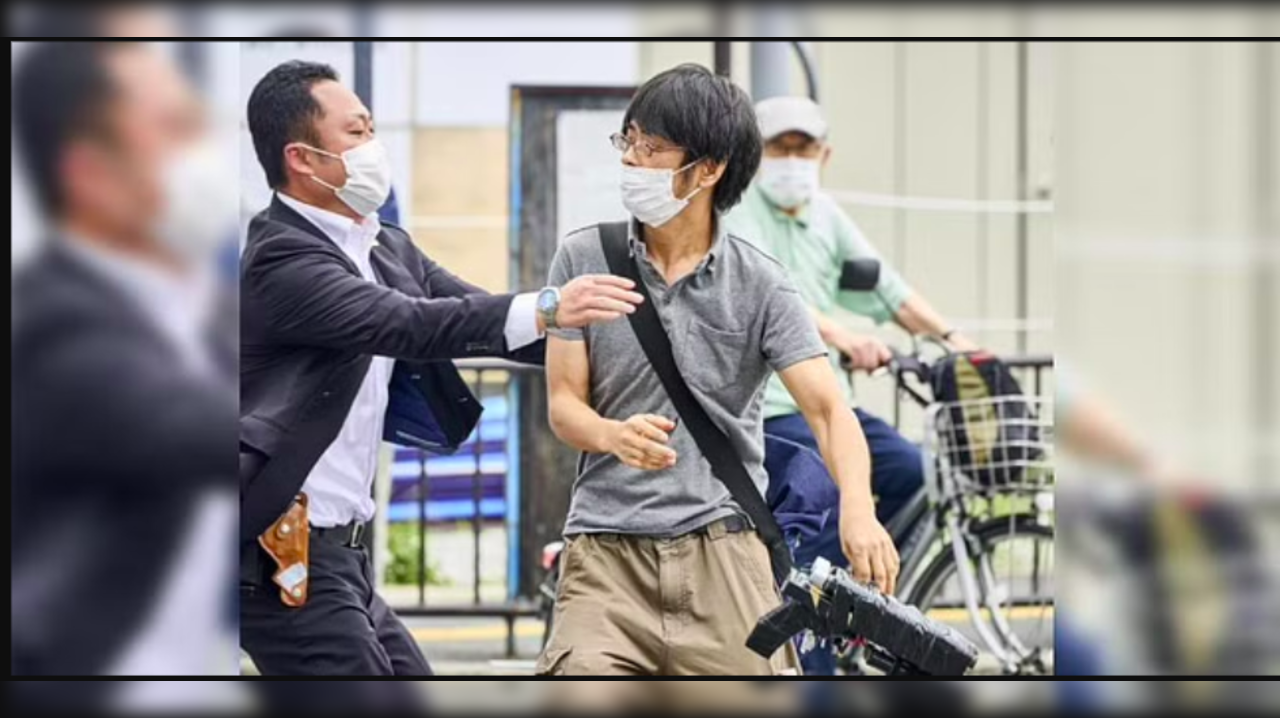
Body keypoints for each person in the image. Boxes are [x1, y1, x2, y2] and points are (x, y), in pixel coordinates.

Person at [238, 60, 641, 678]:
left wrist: (632, 348)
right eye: (358, 133)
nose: (376, 148)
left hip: (344, 559)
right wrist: (553, 304)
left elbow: (485, 320)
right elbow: (411, 324)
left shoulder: (383, 245)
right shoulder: (283, 258)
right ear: (303, 158)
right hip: (280, 559)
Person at [539, 64, 897, 677]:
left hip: (725, 551)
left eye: (652, 147)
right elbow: (564, 403)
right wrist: (611, 436)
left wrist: (857, 509)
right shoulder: (584, 257)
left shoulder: (761, 284)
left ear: (707, 169)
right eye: (628, 140)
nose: (632, 158)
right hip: (604, 554)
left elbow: (829, 409)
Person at [723, 95, 980, 674]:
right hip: (773, 407)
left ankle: (858, 598)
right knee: (826, 495)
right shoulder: (738, 216)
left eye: (803, 147)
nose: (792, 158)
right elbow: (778, 298)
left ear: (824, 155)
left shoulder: (825, 216)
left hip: (829, 400)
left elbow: (890, 291)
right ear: (759, 156)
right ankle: (812, 651)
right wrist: (844, 337)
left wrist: (958, 341)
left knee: (909, 469)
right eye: (779, 147)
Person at [12, 39, 238, 694]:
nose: (208, 153)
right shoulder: (55, 327)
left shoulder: (203, 309)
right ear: (89, 173)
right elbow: (228, 434)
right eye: (177, 130)